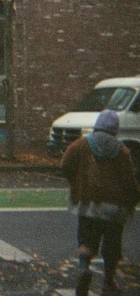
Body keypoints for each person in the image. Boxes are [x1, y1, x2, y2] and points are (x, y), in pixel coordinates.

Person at [61, 109, 140, 296]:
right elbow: (129, 181)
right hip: (115, 208)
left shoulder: (80, 145)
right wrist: (134, 198)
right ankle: (109, 283)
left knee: (87, 240)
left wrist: (76, 183)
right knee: (112, 245)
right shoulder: (122, 151)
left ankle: (83, 269)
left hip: (88, 205)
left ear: (97, 125)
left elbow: (65, 165)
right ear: (115, 129)